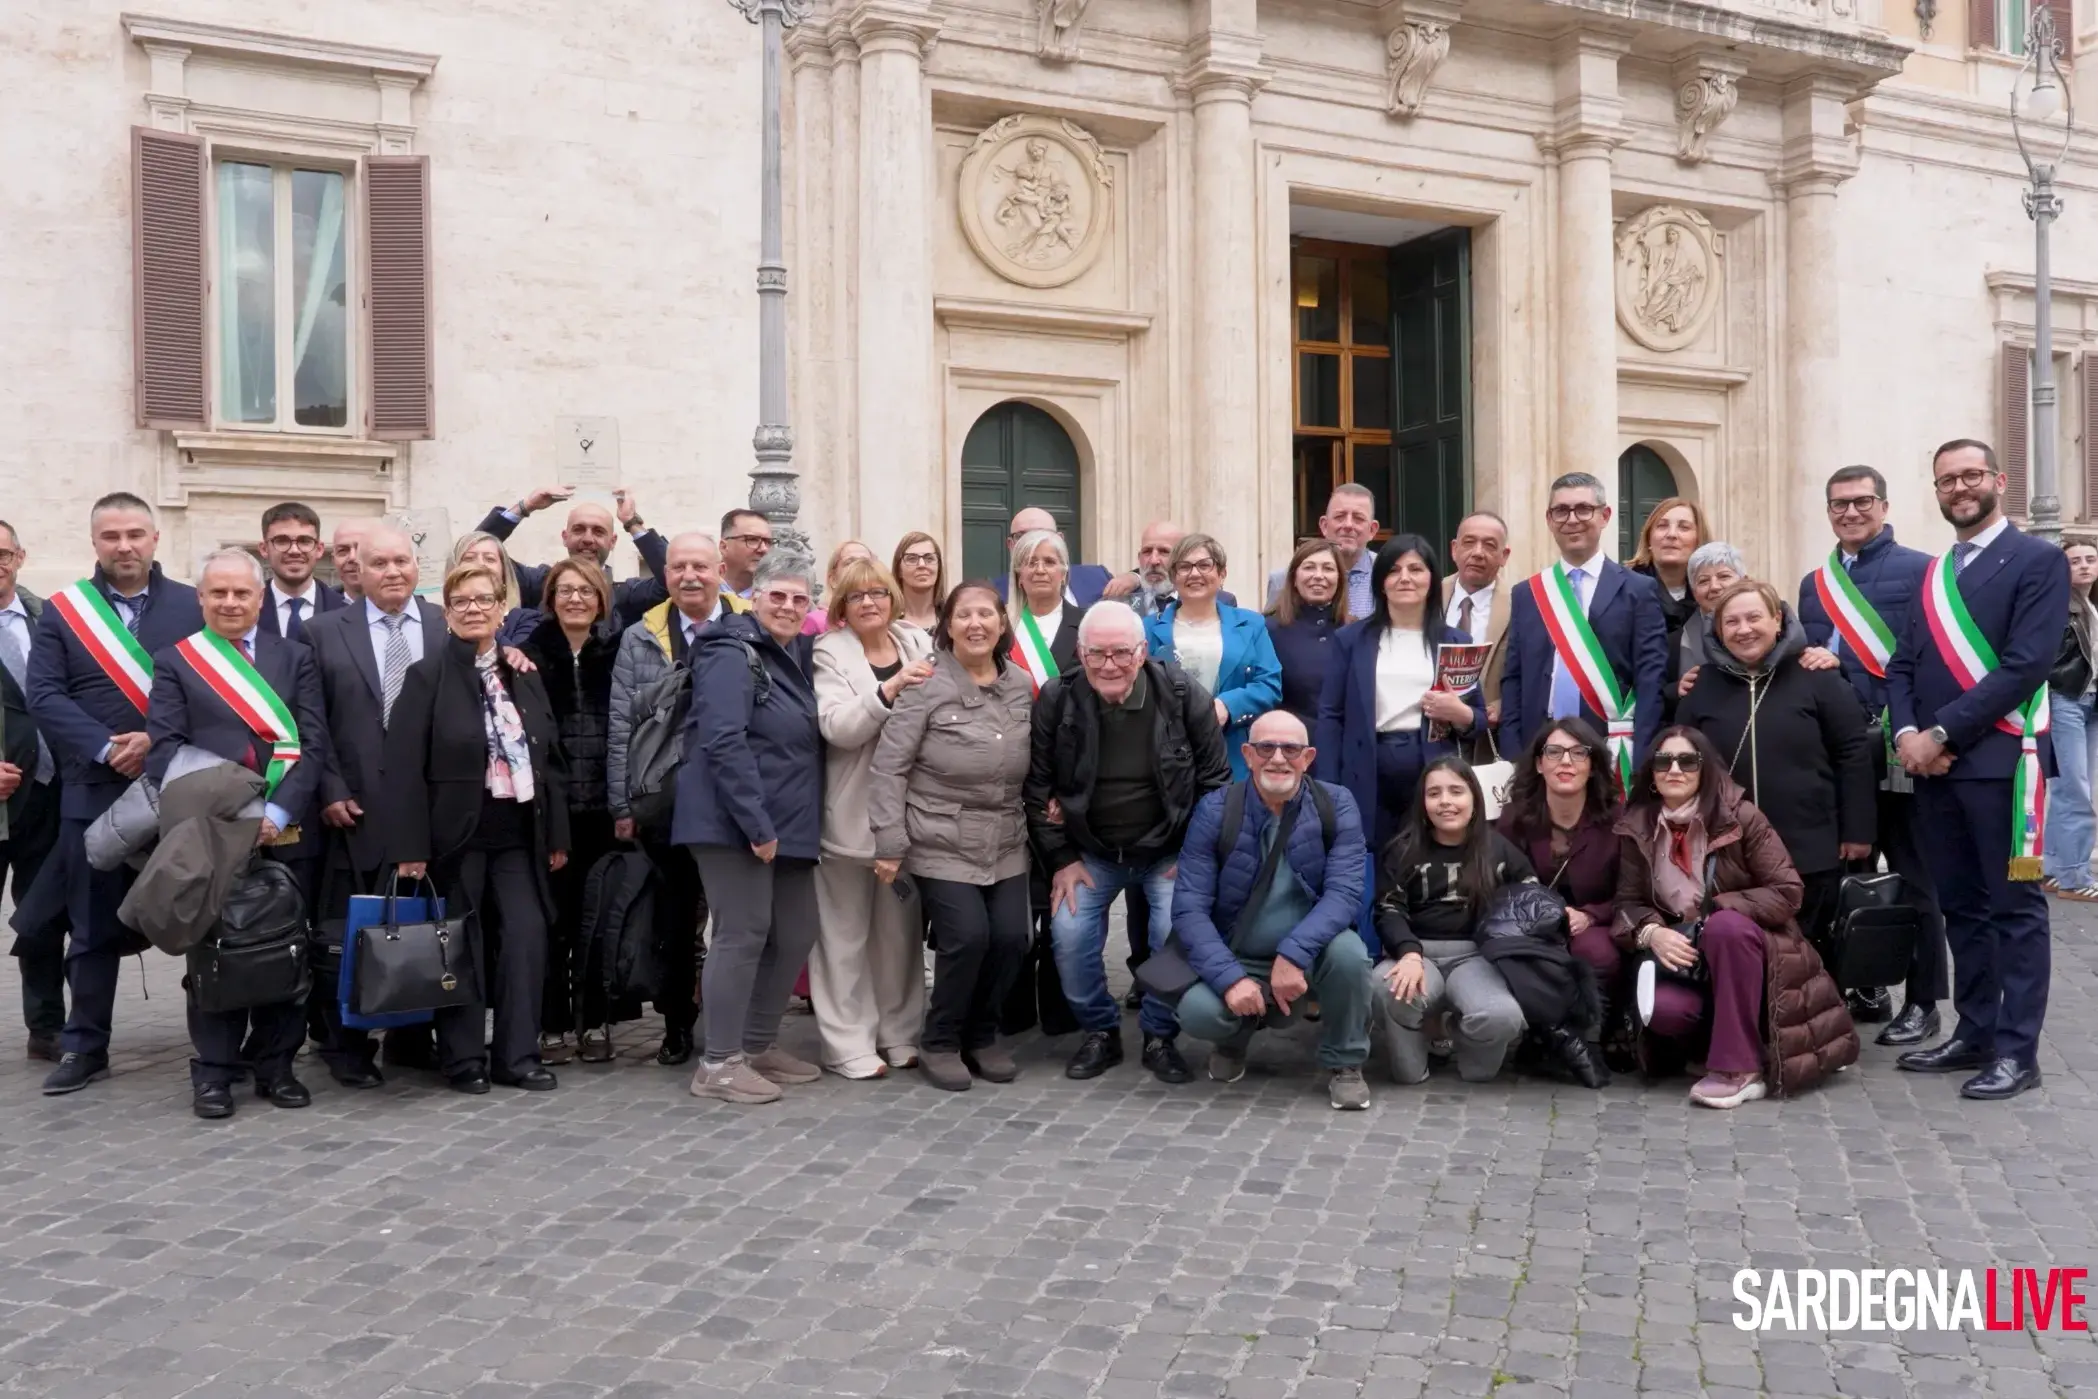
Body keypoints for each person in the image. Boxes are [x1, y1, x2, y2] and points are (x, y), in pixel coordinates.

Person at [1888, 439, 2070, 1101]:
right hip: (1936, 773)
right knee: (1961, 905)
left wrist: (1940, 729)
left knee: (2016, 907)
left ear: (1996, 478)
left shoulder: (2038, 560)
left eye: (1969, 475)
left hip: (2006, 773)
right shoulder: (1934, 573)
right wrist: (1908, 734)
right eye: (1946, 479)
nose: (1958, 487)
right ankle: (1977, 1030)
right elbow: (1901, 663)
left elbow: (2025, 665)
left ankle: (2019, 1051)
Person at [27, 492, 203, 1094]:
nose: (123, 546)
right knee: (92, 926)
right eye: (111, 536)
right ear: (95, 542)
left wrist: (153, 740)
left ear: (155, 538)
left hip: (175, 788)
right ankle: (85, 1048)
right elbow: (44, 694)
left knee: (198, 918)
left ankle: (213, 1045)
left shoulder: (193, 604)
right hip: (94, 791)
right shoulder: (63, 611)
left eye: (135, 534)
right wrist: (107, 746)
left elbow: (214, 690)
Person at [144, 549, 328, 1119]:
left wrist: (276, 813)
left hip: (288, 829)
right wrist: (242, 812)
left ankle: (277, 1065)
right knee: (214, 956)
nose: (229, 603)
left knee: (284, 950)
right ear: (201, 599)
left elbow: (314, 744)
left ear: (258, 598)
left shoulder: (294, 657)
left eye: (241, 593)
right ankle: (215, 1073)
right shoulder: (176, 661)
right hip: (213, 835)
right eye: (218, 593)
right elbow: (165, 753)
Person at [384, 563, 571, 1095]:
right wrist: (410, 846)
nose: (473, 609)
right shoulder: (427, 676)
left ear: (501, 610)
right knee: (459, 945)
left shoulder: (522, 671)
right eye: (461, 601)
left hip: (518, 835)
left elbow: (548, 757)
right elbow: (403, 768)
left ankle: (518, 1055)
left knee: (526, 937)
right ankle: (464, 1057)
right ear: (446, 613)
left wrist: (557, 834)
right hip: (454, 840)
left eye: (483, 600)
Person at [1026, 600, 1231, 1082]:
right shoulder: (1058, 698)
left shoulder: (1183, 695)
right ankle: (1100, 1030)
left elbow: (1216, 784)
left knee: (1170, 936)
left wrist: (1195, 855)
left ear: (1142, 653)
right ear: (1080, 652)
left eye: (1121, 652)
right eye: (1097, 654)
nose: (1109, 665)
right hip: (1090, 851)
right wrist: (1061, 858)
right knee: (1070, 937)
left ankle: (1160, 1033)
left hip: (1168, 851)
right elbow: (1037, 787)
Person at [1612, 726, 1858, 1107]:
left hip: (1753, 949)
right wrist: (1651, 933)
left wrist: (1722, 909)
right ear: (1652, 772)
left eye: (1687, 761)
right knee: (1663, 1012)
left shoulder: (1740, 816)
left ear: (1706, 769)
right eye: (1663, 761)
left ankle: (1740, 1069)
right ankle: (1722, 1044)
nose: (1674, 769)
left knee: (1724, 929)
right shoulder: (1638, 825)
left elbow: (1788, 892)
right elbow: (1627, 903)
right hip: (1689, 958)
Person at [868, 582, 1036, 1090]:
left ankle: (981, 1036)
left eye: (987, 614)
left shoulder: (1020, 685)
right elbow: (888, 769)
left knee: (1012, 938)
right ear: (948, 625)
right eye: (965, 615)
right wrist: (889, 842)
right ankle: (941, 1040)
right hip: (939, 835)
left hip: (1006, 836)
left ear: (1003, 624)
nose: (976, 624)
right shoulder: (924, 684)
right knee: (967, 938)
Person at [675, 550, 825, 1104]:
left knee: (797, 929)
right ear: (754, 596)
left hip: (785, 821)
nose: (787, 606)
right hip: (731, 820)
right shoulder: (729, 651)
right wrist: (756, 824)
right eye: (777, 595)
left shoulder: (790, 655)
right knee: (741, 935)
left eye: (799, 598)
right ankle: (718, 1062)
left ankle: (757, 1043)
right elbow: (723, 740)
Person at [1169, 711, 1374, 1109]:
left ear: (1308, 757)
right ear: (1247, 754)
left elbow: (1345, 894)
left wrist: (1293, 955)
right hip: (1239, 951)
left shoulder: (1336, 803)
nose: (1278, 758)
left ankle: (1346, 1062)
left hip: (1311, 952)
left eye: (1291, 749)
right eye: (1266, 747)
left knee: (1350, 956)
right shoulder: (1215, 810)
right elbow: (1189, 909)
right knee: (1197, 1012)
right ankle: (1234, 1040)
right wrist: (1230, 979)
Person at [302, 526, 448, 1087]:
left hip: (425, 809)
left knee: (417, 923)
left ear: (417, 565)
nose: (392, 572)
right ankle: (347, 1046)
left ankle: (412, 1037)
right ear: (354, 571)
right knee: (350, 930)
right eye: (379, 563)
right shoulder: (321, 633)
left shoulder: (443, 624)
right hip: (353, 808)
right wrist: (331, 788)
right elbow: (312, 719)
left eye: (402, 561)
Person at [607, 532, 750, 1063]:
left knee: (737, 917)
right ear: (664, 575)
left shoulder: (747, 627)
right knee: (673, 918)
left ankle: (742, 1026)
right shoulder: (639, 638)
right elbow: (621, 725)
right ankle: (676, 1024)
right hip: (664, 801)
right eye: (677, 567)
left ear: (719, 568)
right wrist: (623, 804)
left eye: (699, 566)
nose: (689, 576)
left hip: (732, 799)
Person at [1678, 579, 1874, 960]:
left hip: (1810, 844)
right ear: (1718, 630)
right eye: (1731, 622)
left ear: (1778, 621)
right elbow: (1682, 757)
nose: (1744, 629)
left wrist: (1858, 830)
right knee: (1741, 949)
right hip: (1727, 849)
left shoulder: (1818, 676)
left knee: (1810, 952)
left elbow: (1852, 753)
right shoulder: (1702, 685)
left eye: (1754, 617)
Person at [811, 555, 935, 1078]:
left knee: (899, 934)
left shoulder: (917, 643)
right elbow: (836, 726)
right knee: (843, 936)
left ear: (893, 599)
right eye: (857, 596)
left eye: (878, 594)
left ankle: (901, 1032)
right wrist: (889, 690)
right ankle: (846, 1043)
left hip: (909, 816)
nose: (869, 603)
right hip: (850, 815)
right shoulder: (830, 651)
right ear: (842, 605)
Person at [1369, 757, 1534, 1084]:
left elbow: (1530, 895)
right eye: (1434, 793)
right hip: (1418, 955)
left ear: (1474, 798)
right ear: (1423, 802)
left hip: (1476, 957)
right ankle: (1417, 1050)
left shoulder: (1499, 849)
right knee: (1385, 989)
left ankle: (1456, 1033)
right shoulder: (1402, 850)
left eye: (1456, 791)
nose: (1445, 801)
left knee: (1501, 1018)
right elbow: (1388, 910)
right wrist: (1408, 953)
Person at [1500, 473, 1669, 786]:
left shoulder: (1638, 590)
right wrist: (1514, 752)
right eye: (1561, 511)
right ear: (1549, 520)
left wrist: (1642, 755)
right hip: (1540, 754)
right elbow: (1514, 678)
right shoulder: (1529, 593)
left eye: (1583, 509)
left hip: (1611, 753)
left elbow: (1650, 679)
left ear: (1604, 516)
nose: (1572, 519)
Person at [1314, 535, 1483, 848]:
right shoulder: (1350, 639)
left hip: (1432, 769)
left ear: (1432, 579)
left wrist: (1461, 714)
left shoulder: (1456, 642)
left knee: (1429, 857)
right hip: (1366, 768)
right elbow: (1330, 715)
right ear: (1381, 583)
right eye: (1394, 570)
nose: (1405, 578)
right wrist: (1327, 786)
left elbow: (1479, 720)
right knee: (1370, 860)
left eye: (1415, 569)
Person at [517, 560, 622, 1064]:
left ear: (601, 600)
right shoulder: (529, 656)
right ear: (551, 598)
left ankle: (596, 1021)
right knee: (552, 923)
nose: (575, 599)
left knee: (598, 922)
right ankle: (552, 1023)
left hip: (603, 810)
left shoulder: (617, 653)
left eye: (586, 591)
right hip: (548, 813)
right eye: (565, 591)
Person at [1496, 719, 1622, 1024]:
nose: (1565, 761)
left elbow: (1632, 891)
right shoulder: (1515, 818)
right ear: (1539, 764)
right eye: (1554, 752)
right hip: (1531, 924)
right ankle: (1544, 1031)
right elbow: (1501, 887)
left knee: (1597, 952)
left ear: (1592, 766)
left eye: (1578, 753)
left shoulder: (1618, 819)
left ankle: (1601, 1031)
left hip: (1594, 924)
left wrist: (1590, 915)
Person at [1142, 534, 1281, 779]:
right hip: (1166, 761)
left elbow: (1269, 685)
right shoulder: (1146, 628)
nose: (1194, 574)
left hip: (1234, 756)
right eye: (1184, 567)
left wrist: (1227, 706)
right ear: (1174, 577)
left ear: (1222, 574)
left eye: (1205, 565)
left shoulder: (1252, 624)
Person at [0, 520, 62, 1061]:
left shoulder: (48, 619)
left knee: (42, 915)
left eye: (2, 553)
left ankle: (46, 1028)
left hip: (46, 795)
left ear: (20, 556)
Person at [478, 486, 669, 628]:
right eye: (578, 530)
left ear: (612, 542)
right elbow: (474, 555)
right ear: (565, 537)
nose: (587, 539)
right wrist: (525, 506)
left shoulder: (626, 595)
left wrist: (632, 522)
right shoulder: (539, 583)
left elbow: (674, 579)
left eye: (598, 531)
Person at [2043, 538, 2098, 902]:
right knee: (2073, 788)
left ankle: (2052, 868)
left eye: (2090, 559)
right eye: (2074, 560)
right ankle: (2075, 876)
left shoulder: (2091, 606)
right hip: (2066, 698)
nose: (2083, 565)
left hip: (2090, 701)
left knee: (2077, 785)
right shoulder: (2056, 606)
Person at [1265, 539, 1351, 729]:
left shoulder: (1357, 631)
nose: (1318, 576)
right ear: (1294, 578)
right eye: (1309, 567)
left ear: (1339, 579)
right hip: (1290, 744)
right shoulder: (1267, 630)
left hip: (1346, 744)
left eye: (1328, 568)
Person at [1443, 511, 1514, 743]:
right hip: (1431, 738)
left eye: (1489, 545)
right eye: (1469, 542)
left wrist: (1507, 702)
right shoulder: (1428, 596)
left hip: (1489, 739)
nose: (1477, 553)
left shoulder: (1521, 605)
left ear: (1504, 556)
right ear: (1454, 549)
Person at [1627, 497, 1709, 696]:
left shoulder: (1713, 590)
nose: (1671, 535)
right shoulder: (1624, 589)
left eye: (1684, 527)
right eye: (1662, 526)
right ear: (1648, 539)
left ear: (1699, 539)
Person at [1265, 484, 1378, 618]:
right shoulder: (1283, 580)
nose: (1348, 525)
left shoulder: (1387, 576)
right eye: (1340, 517)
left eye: (1358, 518)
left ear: (1372, 530)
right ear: (1324, 525)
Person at [1006, 529, 1086, 693]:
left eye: (1049, 562)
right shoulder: (1003, 625)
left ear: (1063, 573)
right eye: (1030, 562)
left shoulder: (1086, 623)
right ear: (1019, 575)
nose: (1040, 570)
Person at [256, 502, 346, 643]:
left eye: (304, 541)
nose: (294, 550)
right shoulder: (245, 609)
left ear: (320, 549)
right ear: (264, 549)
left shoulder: (346, 611)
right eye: (282, 541)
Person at [994, 507, 1119, 606]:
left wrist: (1134, 577)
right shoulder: (993, 594)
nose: (1033, 543)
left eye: (1042, 534)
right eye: (1022, 536)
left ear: (1060, 540)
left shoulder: (1097, 578)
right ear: (1011, 545)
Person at [1673, 541, 1745, 698]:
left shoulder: (1776, 626)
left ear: (1743, 581)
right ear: (1694, 591)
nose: (1714, 587)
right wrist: (1676, 689)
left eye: (1724, 576)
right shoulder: (1678, 639)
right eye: (1704, 581)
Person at [450, 531, 523, 614]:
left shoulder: (526, 621)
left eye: (490, 559)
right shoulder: (437, 622)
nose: (481, 564)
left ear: (503, 570)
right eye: (469, 558)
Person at [891, 531, 947, 632]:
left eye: (929, 558)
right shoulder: (887, 620)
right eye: (912, 559)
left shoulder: (951, 617)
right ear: (899, 569)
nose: (922, 565)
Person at [719, 508, 774, 599]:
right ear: (724, 547)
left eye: (768, 542)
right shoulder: (699, 589)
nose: (764, 549)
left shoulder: (778, 597)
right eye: (752, 539)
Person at [328, 517, 377, 603]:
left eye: (361, 548)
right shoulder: (319, 610)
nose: (352, 557)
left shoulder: (404, 609)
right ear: (333, 560)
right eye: (343, 550)